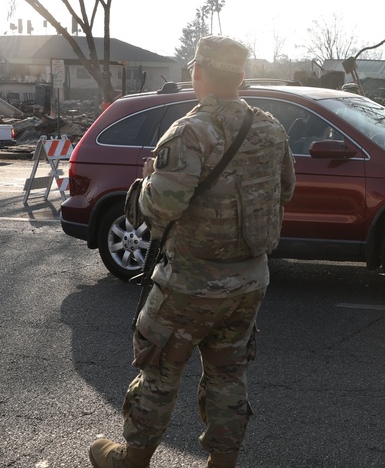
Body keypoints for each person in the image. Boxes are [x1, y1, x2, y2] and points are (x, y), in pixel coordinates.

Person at [89, 36, 296, 468]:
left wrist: (145, 182)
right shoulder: (271, 128)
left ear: (196, 72)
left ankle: (133, 460)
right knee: (228, 374)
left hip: (190, 282)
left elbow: (162, 206)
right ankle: (222, 464)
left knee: (160, 371)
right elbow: (286, 192)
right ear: (240, 76)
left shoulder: (189, 131)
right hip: (249, 280)